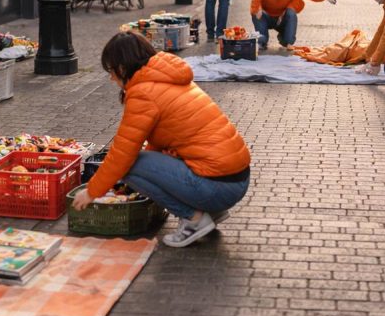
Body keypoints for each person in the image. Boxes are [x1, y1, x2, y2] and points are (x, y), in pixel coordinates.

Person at [72, 32, 251, 247]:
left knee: (129, 166)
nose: (111, 78)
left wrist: (92, 191)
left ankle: (194, 219)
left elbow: (122, 154)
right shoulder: (166, 77)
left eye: (111, 71)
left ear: (122, 68)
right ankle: (211, 212)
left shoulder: (143, 93)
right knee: (135, 162)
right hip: (235, 180)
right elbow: (157, 142)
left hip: (218, 187)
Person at [250, 0, 336, 52]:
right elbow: (255, 0)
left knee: (291, 13)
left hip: (283, 18)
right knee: (256, 12)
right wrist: (257, 9)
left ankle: (287, 41)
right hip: (267, 17)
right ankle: (261, 41)